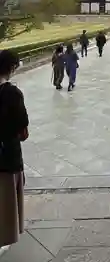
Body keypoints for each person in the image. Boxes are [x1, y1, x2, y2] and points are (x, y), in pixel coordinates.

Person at [0, 50, 29, 251]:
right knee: (5, 202)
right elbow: (24, 133)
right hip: (6, 158)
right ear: (11, 68)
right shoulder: (12, 94)